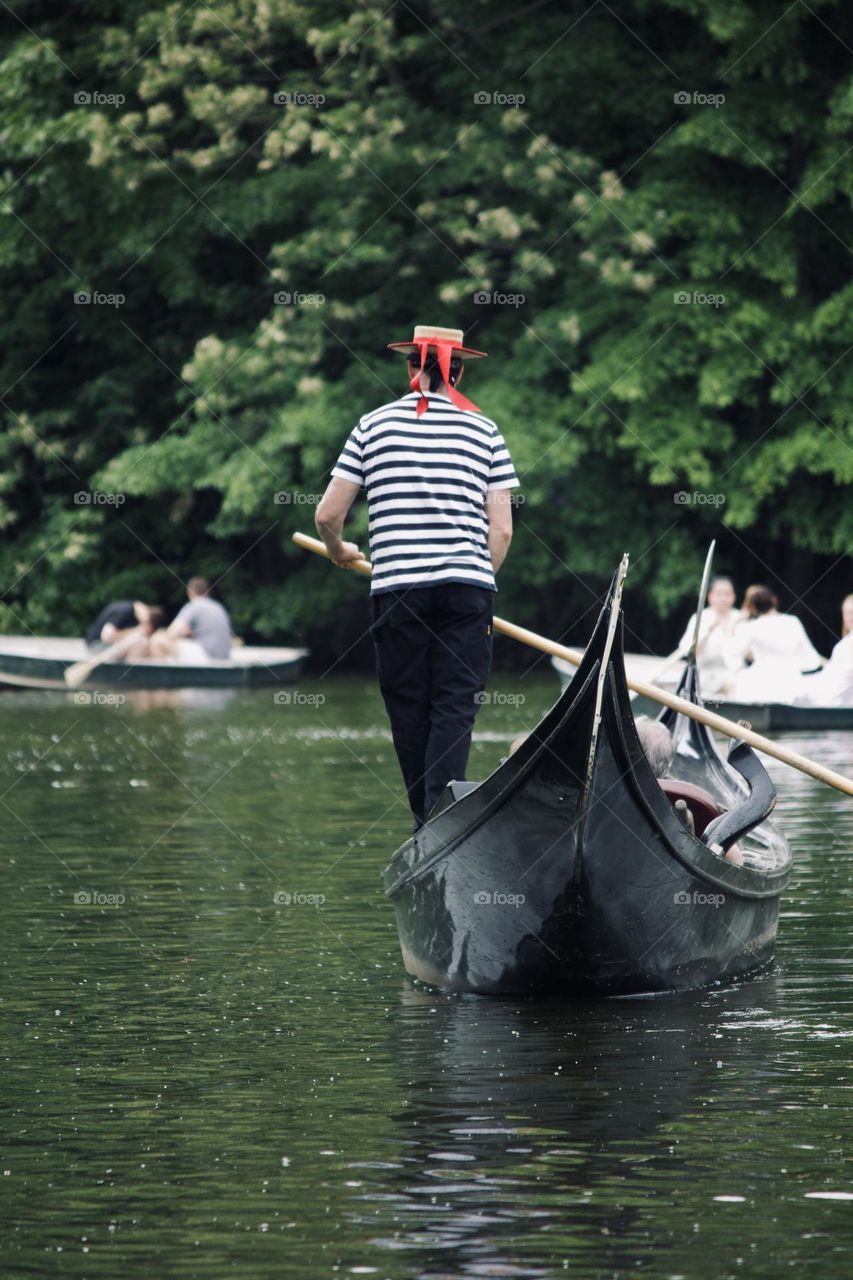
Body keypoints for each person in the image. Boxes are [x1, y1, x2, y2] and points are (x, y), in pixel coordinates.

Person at [315, 323, 518, 829]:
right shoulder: (485, 430)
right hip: (467, 589)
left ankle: (425, 821)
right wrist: (477, 578)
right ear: (460, 370)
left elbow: (325, 515)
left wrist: (339, 551)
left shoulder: (372, 425)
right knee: (454, 706)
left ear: (411, 367)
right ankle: (440, 821)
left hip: (398, 588)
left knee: (409, 705)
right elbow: (504, 531)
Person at [731, 585, 824, 702]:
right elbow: (810, 654)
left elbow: (734, 652)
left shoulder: (753, 627)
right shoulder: (792, 622)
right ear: (774, 600)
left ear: (753, 607)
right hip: (790, 678)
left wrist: (737, 623)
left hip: (761, 679)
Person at [674, 575, 743, 695]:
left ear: (733, 596)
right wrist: (708, 631)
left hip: (733, 674)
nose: (724, 598)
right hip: (704, 674)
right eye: (719, 594)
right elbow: (689, 652)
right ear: (710, 597)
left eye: (727, 594)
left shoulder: (739, 618)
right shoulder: (700, 617)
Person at [152, 577, 233, 662]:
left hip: (207, 656)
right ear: (208, 591)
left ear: (189, 592)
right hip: (223, 656)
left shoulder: (194, 605)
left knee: (157, 640)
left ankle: (161, 675)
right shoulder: (218, 607)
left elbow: (171, 633)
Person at [794, 594, 853, 707]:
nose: (850, 617)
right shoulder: (844, 643)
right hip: (832, 688)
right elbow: (834, 670)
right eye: (847, 613)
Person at [85, 599, 164, 659]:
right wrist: (138, 630)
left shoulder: (136, 613)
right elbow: (106, 636)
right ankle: (131, 676)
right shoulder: (125, 611)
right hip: (97, 645)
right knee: (141, 643)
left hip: (109, 645)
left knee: (148, 645)